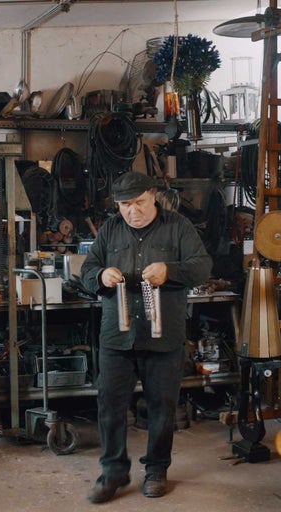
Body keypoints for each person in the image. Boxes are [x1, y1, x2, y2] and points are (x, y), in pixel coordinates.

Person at [80, 171, 212, 503]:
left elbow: (202, 266)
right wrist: (100, 275)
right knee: (110, 405)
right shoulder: (110, 229)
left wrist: (170, 270)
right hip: (118, 335)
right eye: (125, 204)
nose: (132, 210)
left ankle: (156, 469)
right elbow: (86, 271)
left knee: (161, 407)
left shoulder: (178, 226)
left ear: (153, 195)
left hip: (163, 335)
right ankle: (113, 472)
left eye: (138, 202)